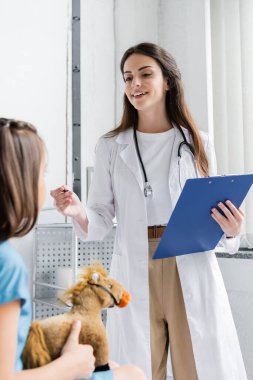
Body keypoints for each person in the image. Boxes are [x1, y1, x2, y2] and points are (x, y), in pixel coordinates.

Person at [51, 42, 247, 380]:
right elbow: (99, 218)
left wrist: (232, 230)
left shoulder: (198, 142)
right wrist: (78, 211)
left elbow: (214, 211)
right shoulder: (112, 146)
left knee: (197, 367)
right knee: (140, 369)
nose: (134, 84)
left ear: (168, 80)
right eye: (128, 78)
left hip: (189, 259)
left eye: (145, 74)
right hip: (135, 263)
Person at [0, 118, 146, 380]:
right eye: (42, 173)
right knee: (132, 374)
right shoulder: (6, 264)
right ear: (17, 182)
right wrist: (69, 365)